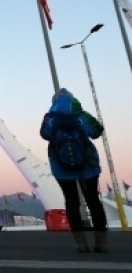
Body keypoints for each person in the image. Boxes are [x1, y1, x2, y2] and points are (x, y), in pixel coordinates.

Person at [40, 88, 108, 253]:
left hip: (61, 167)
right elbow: (97, 131)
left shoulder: (50, 118)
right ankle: (101, 243)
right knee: (93, 201)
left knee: (71, 202)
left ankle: (81, 244)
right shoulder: (82, 115)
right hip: (88, 166)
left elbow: (44, 135)